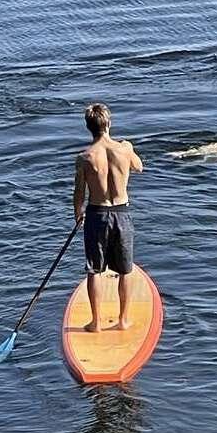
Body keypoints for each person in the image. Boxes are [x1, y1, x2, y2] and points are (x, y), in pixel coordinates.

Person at [73, 103, 143, 332]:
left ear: (88, 127)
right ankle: (123, 321)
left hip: (97, 214)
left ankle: (96, 323)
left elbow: (79, 192)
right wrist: (129, 151)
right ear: (109, 123)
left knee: (94, 270)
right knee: (125, 269)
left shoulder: (84, 158)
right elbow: (139, 168)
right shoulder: (124, 149)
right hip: (121, 213)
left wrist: (78, 214)